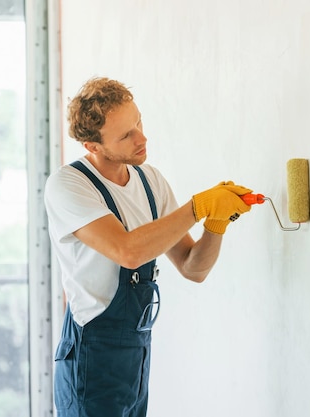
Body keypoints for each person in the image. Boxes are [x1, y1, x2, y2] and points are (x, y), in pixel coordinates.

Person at [44, 77, 252, 417]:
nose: (142, 137)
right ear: (92, 145)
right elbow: (128, 251)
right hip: (91, 359)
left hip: (137, 354)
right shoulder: (69, 185)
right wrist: (197, 208)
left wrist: (216, 223)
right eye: (126, 135)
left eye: (138, 122)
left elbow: (192, 267)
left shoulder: (149, 180)